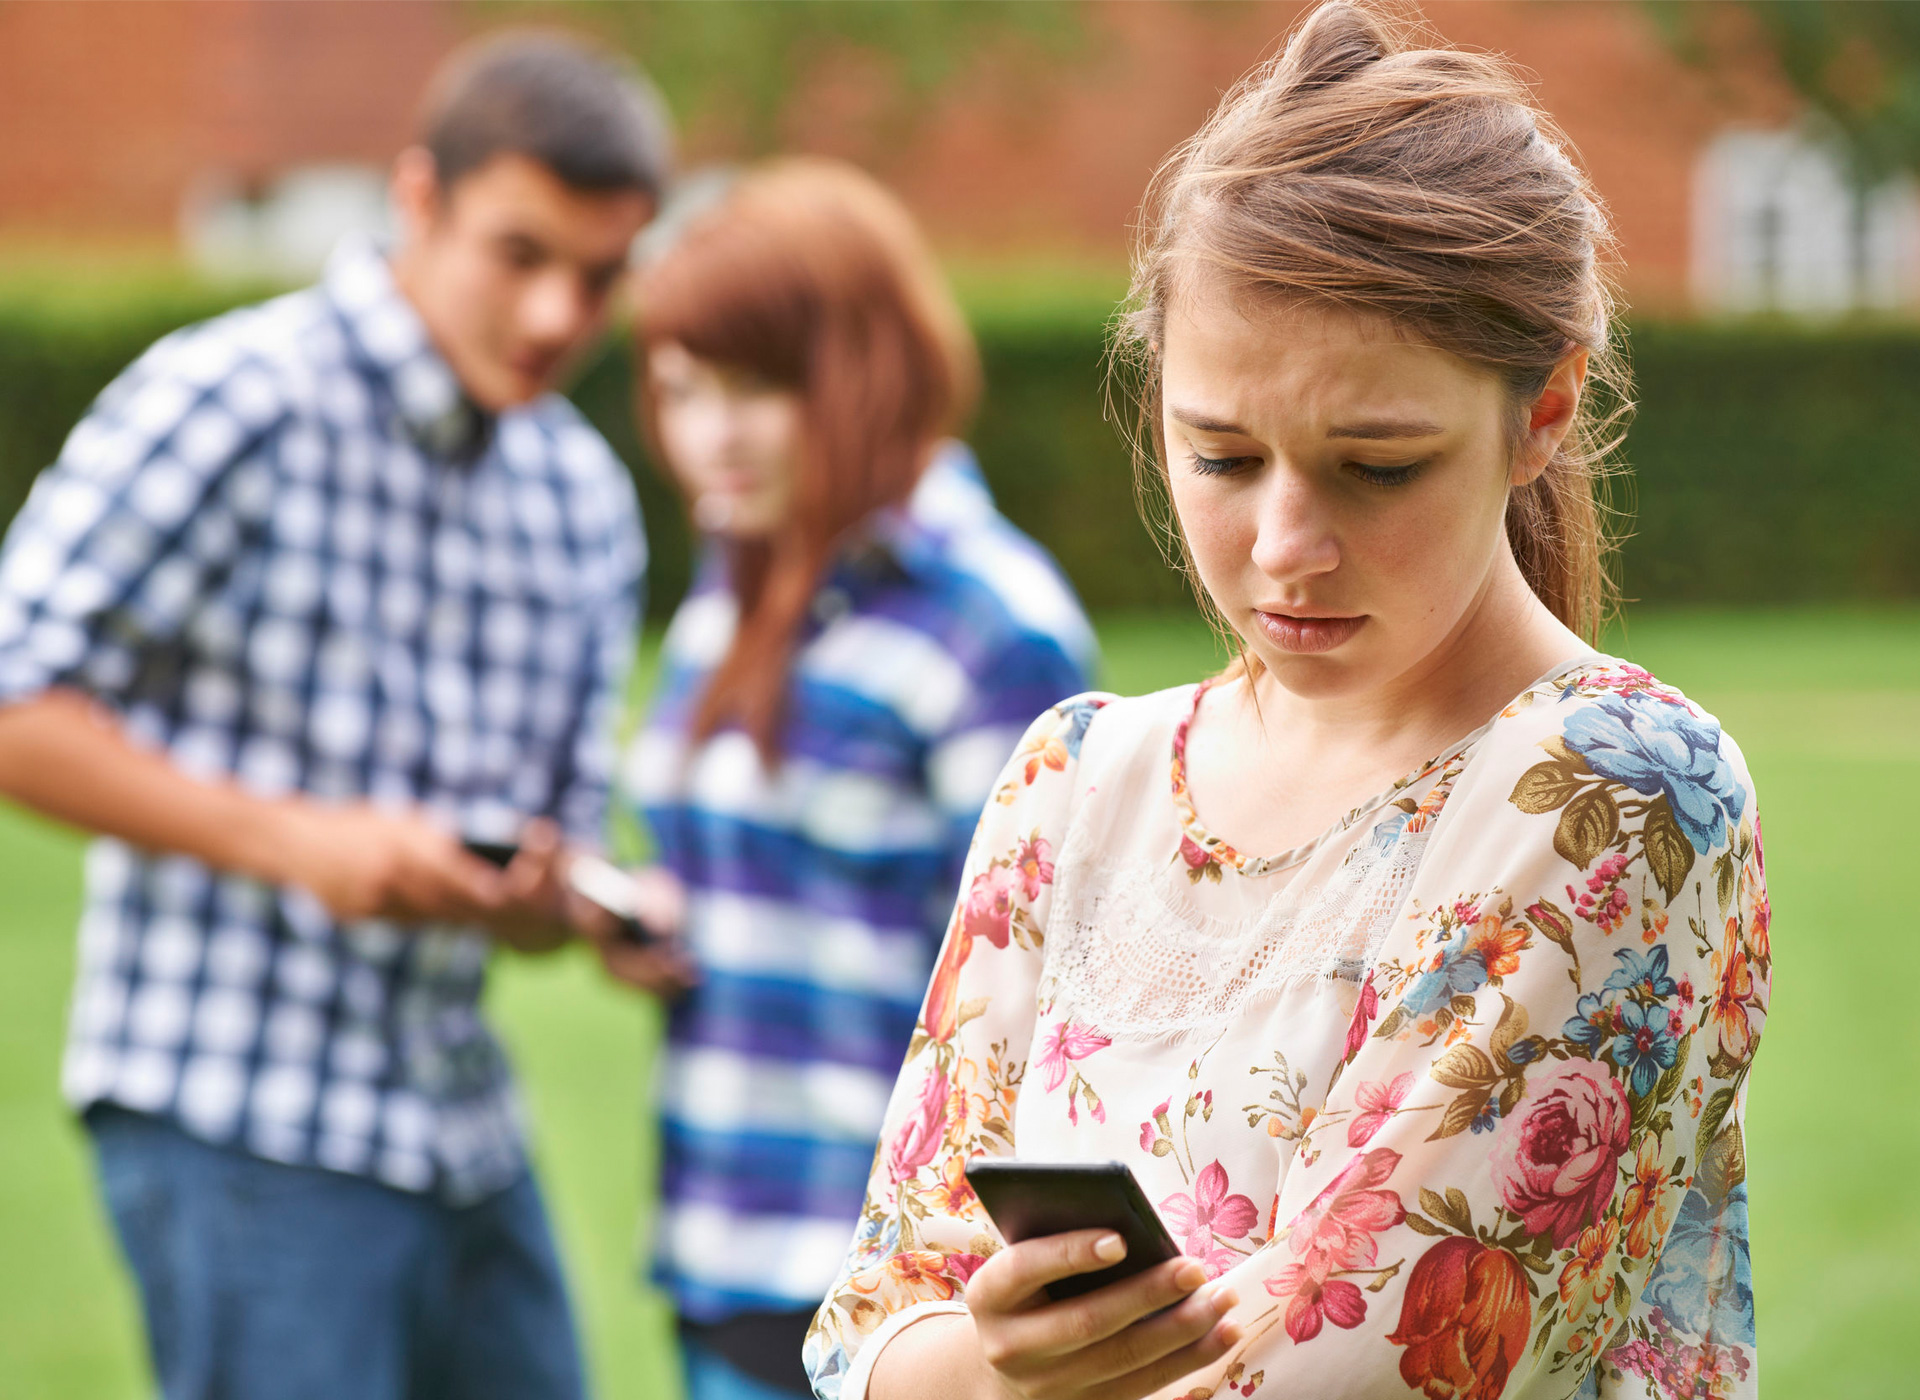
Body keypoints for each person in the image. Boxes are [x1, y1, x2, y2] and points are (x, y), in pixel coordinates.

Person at [806, 7, 1769, 1400]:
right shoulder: (1074, 780)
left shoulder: (1617, 791)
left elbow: (1356, 1372)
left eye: (1375, 464)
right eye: (1223, 455)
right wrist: (1000, 1372)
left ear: (1545, 410)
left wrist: (1001, 1373)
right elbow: (859, 1334)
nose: (1283, 546)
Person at [0, 32, 667, 1400]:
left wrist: (554, 900)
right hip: (234, 1109)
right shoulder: (237, 398)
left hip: (457, 1123)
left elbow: (551, 841)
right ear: (417, 201)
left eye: (598, 278)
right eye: (519, 254)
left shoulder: (583, 502)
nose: (556, 317)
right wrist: (298, 844)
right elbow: (15, 696)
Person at [600, 158, 1096, 1400]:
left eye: (754, 387)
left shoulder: (990, 623)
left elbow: (1056, 980)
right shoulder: (742, 575)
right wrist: (657, 916)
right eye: (678, 389)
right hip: (723, 1233)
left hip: (897, 1284)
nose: (706, 433)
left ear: (862, 368)